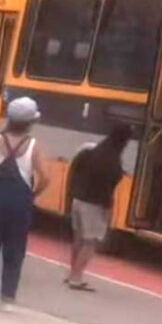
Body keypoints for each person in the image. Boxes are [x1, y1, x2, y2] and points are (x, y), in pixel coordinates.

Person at [0, 97, 48, 310]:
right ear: (31, 122)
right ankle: (7, 297)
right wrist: (33, 194)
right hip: (19, 203)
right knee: (15, 249)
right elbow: (46, 177)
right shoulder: (33, 146)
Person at [66, 124, 132, 291]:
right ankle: (76, 278)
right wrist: (108, 214)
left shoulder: (91, 151)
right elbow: (106, 193)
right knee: (90, 243)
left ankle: (71, 273)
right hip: (93, 206)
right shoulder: (114, 164)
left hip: (78, 200)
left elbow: (76, 171)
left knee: (78, 239)